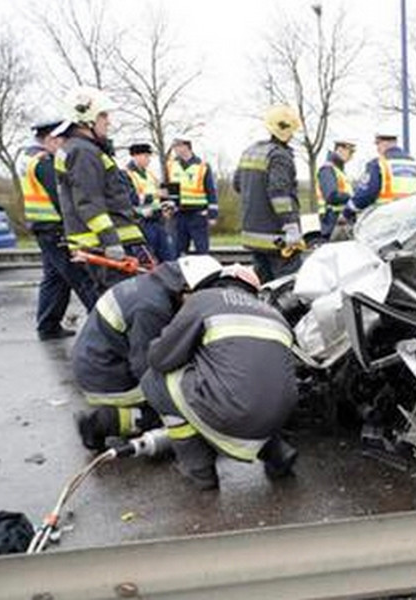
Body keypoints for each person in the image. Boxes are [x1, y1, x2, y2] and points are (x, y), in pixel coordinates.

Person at [140, 264, 300, 490]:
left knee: (154, 381)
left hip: (233, 414)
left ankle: (199, 470)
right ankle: (276, 452)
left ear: (217, 284)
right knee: (248, 386)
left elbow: (160, 359)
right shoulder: (276, 316)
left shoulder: (205, 300)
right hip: (279, 416)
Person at [71, 255, 222, 451]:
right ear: (186, 288)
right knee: (183, 417)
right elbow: (147, 366)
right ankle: (102, 422)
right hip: (107, 377)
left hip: (99, 362)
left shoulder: (154, 284)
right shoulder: (152, 308)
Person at [57, 86, 152, 291]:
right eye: (103, 115)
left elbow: (105, 197)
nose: (108, 121)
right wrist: (110, 242)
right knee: (125, 307)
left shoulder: (80, 149)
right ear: (86, 118)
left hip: (105, 243)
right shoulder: (83, 152)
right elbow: (89, 203)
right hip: (105, 246)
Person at [21, 117, 99, 341]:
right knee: (83, 278)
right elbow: (62, 200)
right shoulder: (45, 162)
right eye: (61, 139)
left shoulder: (31, 158)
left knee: (55, 279)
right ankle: (104, 329)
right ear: (50, 139)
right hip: (56, 229)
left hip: (44, 229)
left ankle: (48, 326)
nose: (65, 144)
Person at [235, 104, 305, 283]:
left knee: (263, 285)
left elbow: (237, 185)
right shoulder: (280, 156)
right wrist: (290, 226)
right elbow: (279, 194)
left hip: (253, 235)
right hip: (277, 237)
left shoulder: (249, 152)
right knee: (287, 287)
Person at [341, 132, 416, 222]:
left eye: (378, 144)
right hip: (411, 221)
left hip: (386, 221)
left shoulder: (378, 164)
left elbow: (366, 195)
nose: (377, 149)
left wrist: (347, 212)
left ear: (384, 143)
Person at [125, 143, 176, 262]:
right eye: (146, 156)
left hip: (158, 221)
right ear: (135, 156)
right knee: (146, 260)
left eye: (149, 156)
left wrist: (167, 205)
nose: (149, 160)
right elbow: (131, 199)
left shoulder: (150, 174)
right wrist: (153, 195)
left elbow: (160, 196)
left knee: (168, 257)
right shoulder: (126, 174)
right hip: (141, 223)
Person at [167, 138, 218, 256]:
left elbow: (211, 190)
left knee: (202, 250)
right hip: (178, 214)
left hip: (198, 214)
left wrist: (212, 214)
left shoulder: (203, 166)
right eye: (174, 146)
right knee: (177, 250)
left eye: (177, 146)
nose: (175, 149)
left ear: (187, 146)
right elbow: (167, 190)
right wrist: (167, 211)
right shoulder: (170, 165)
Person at [315, 139, 356, 241]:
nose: (351, 156)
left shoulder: (338, 170)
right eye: (350, 152)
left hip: (340, 222)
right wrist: (353, 198)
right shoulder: (328, 169)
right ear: (340, 149)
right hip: (333, 222)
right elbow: (331, 196)